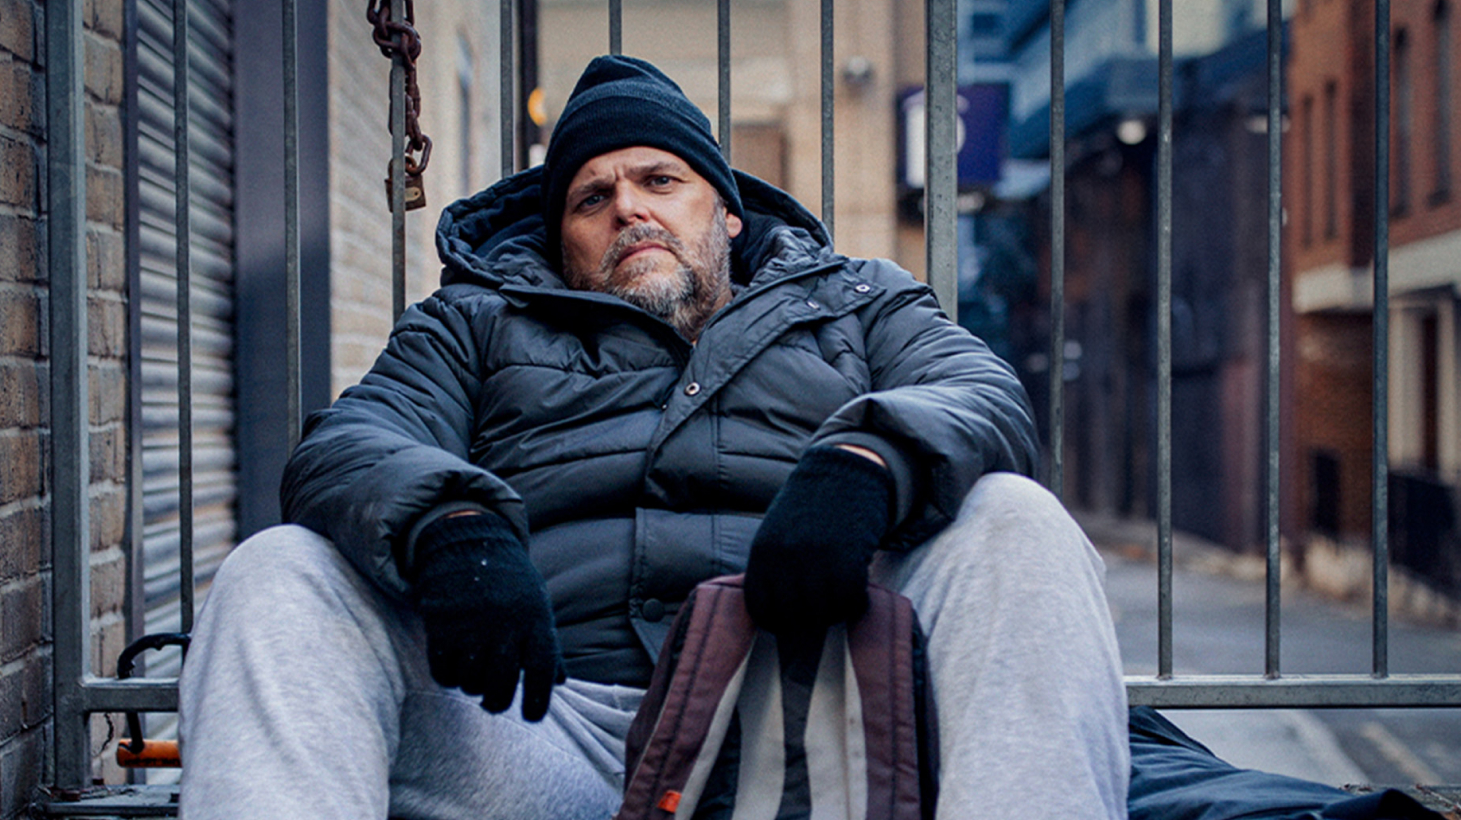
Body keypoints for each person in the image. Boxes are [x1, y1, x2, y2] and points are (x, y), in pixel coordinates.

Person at [178, 54, 1130, 820]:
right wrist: (449, 521)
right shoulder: (474, 322)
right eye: (590, 199)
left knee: (1017, 521)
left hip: (812, 723)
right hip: (545, 728)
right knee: (278, 574)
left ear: (724, 209)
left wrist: (868, 462)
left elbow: (984, 396)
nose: (627, 206)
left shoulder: (858, 298)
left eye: (659, 180)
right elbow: (350, 444)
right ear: (564, 241)